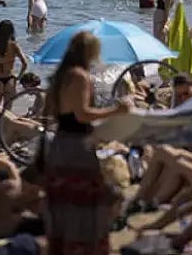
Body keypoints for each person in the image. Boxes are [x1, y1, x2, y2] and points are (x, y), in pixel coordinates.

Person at [42, 31, 129, 255]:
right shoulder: (81, 76)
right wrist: (116, 111)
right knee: (85, 204)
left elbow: (52, 112)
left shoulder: (62, 76)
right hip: (77, 146)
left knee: (64, 203)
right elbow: (82, 115)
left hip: (60, 143)